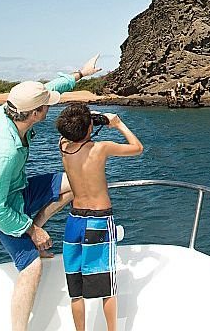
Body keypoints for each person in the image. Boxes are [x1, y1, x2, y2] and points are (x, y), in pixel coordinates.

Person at [0, 54, 102, 331]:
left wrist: (80, 73)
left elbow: (48, 89)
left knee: (79, 181)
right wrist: (31, 231)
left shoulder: (10, 108)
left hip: (15, 190)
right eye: (45, 106)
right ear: (36, 114)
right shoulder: (4, 152)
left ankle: (35, 229)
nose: (50, 107)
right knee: (32, 268)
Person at [56, 103, 143, 331]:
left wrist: (88, 122)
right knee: (108, 289)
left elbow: (70, 131)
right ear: (88, 128)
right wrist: (117, 123)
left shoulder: (63, 147)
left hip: (74, 221)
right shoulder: (100, 148)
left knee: (76, 291)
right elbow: (137, 147)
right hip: (99, 221)